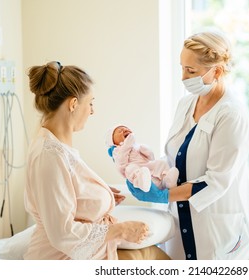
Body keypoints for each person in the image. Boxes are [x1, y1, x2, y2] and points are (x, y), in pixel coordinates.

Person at [126, 31, 249, 260]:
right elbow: (176, 160)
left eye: (191, 71)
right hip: (181, 224)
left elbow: (216, 182)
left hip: (218, 233)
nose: (183, 77)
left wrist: (164, 196)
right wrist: (149, 174)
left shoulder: (231, 114)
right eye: (182, 68)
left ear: (216, 71)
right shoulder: (185, 104)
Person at [24, 61, 170, 260]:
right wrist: (121, 230)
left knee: (155, 256)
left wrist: (97, 195)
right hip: (60, 259)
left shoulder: (57, 147)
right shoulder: (49, 155)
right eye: (90, 103)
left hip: (81, 253)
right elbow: (62, 233)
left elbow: (67, 194)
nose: (92, 111)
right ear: (73, 104)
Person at [105, 124, 179, 192]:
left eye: (126, 128)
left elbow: (151, 158)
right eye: (120, 131)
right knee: (130, 169)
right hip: (136, 170)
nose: (125, 130)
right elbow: (121, 163)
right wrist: (127, 144)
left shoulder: (136, 145)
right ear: (114, 142)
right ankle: (142, 182)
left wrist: (147, 152)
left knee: (161, 163)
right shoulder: (117, 151)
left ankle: (167, 180)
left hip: (146, 165)